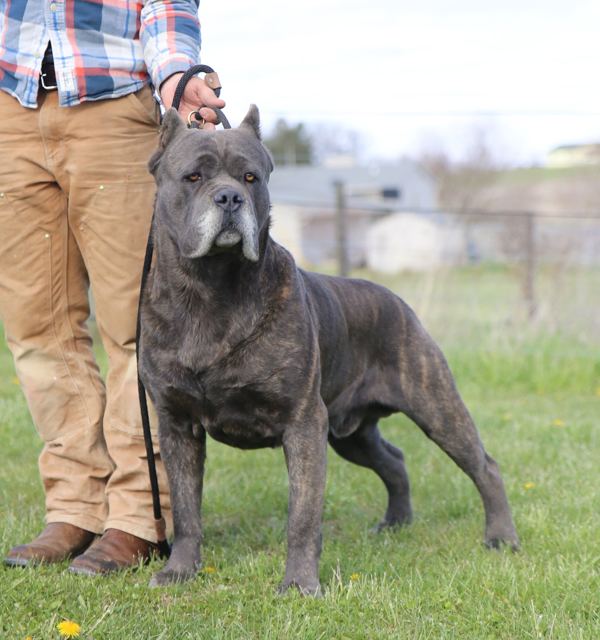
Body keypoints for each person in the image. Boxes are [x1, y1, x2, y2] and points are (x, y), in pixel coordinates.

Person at [0, 0, 224, 575]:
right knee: (36, 327)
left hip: (113, 102)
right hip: (10, 106)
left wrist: (176, 72)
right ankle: (74, 504)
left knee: (135, 326)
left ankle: (140, 515)